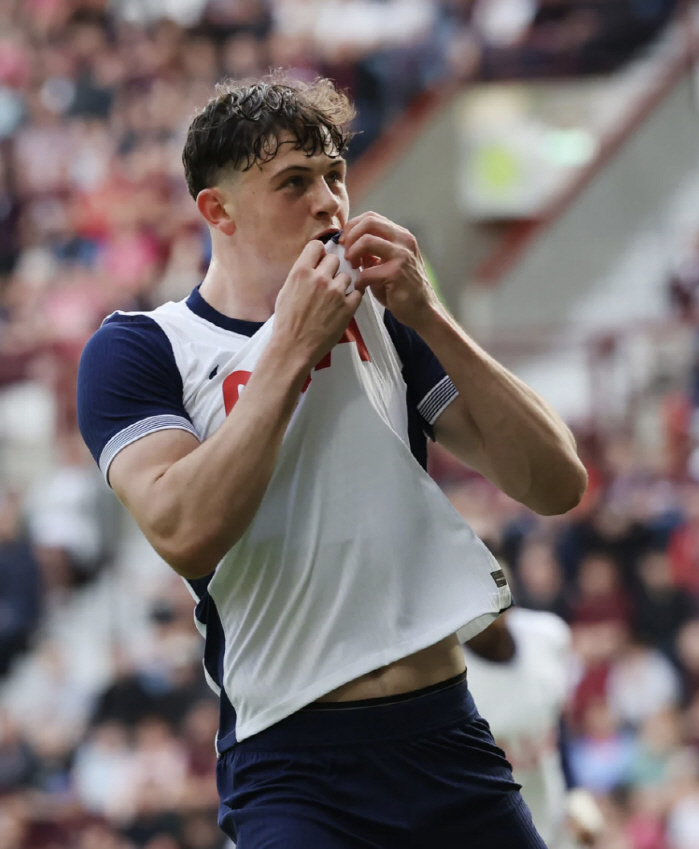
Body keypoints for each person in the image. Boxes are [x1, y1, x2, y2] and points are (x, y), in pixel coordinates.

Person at [76, 73, 588, 848]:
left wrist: (431, 314)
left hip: (446, 731)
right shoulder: (142, 347)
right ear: (218, 210)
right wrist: (289, 342)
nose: (329, 202)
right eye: (293, 183)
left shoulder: (387, 318)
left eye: (334, 176)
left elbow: (555, 482)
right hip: (293, 763)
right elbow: (184, 529)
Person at [464, 606, 604, 848]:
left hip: (554, 818)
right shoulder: (448, 673)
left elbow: (553, 721)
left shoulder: (547, 635)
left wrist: (575, 791)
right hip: (492, 830)